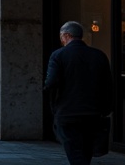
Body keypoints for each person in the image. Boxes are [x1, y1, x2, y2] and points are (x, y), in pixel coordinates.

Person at [45, 21, 113, 165]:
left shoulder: (58, 55)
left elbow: (51, 83)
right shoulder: (99, 55)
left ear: (67, 35)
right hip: (93, 113)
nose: (61, 40)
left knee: (75, 153)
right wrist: (106, 108)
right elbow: (108, 84)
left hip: (68, 112)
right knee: (86, 151)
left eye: (61, 36)